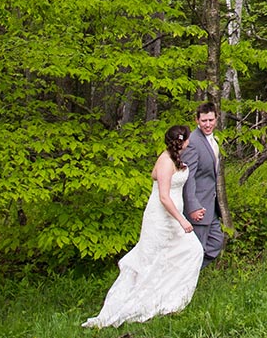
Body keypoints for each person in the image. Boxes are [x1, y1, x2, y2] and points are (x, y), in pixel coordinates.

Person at [82, 126, 203, 328]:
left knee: (191, 251)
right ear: (182, 141)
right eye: (188, 139)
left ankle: (169, 300)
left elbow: (154, 176)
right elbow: (164, 197)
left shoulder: (175, 160)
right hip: (162, 219)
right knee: (151, 261)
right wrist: (182, 220)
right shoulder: (165, 161)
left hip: (172, 217)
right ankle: (137, 304)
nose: (190, 142)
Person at [183, 102, 228, 266]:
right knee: (196, 250)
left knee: (216, 242)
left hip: (211, 206)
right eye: (204, 121)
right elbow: (189, 177)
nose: (207, 124)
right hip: (199, 207)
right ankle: (183, 284)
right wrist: (193, 206)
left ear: (216, 119)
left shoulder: (212, 140)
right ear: (197, 120)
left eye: (210, 120)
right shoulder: (193, 142)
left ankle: (187, 275)